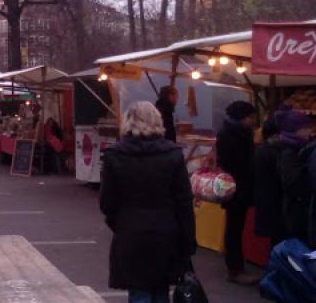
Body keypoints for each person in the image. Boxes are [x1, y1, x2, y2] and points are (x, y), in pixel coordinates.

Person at [100, 102, 195, 303]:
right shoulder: (173, 154)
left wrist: (120, 222)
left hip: (130, 228)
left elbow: (107, 202)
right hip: (166, 228)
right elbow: (184, 201)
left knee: (138, 290)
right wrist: (188, 240)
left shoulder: (114, 155)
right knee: (161, 288)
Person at [216, 100, 258, 284]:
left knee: (234, 227)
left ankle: (234, 264)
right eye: (250, 117)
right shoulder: (235, 135)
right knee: (235, 227)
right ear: (242, 117)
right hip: (236, 188)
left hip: (235, 187)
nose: (253, 121)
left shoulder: (230, 131)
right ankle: (235, 269)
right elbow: (240, 163)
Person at [274, 107, 312, 243]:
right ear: (295, 129)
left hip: (297, 209)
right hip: (296, 211)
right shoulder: (289, 152)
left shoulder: (298, 148)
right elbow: (294, 185)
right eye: (306, 128)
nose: (310, 131)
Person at [253, 113, 285, 247]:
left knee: (276, 239)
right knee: (278, 238)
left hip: (267, 201)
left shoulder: (261, 150)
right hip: (274, 202)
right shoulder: (274, 152)